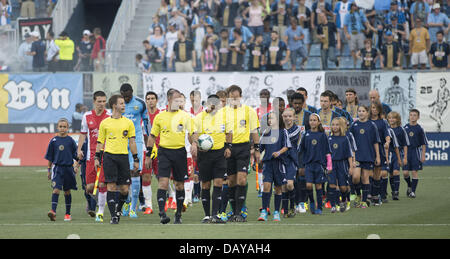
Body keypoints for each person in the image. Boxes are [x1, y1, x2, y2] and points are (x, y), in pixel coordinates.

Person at [145, 89, 198, 224]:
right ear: (169, 100)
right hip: (164, 153)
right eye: (176, 100)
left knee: (179, 185)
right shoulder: (160, 117)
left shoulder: (185, 116)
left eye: (180, 100)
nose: (179, 102)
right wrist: (148, 155)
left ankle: (178, 215)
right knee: (163, 182)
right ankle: (162, 213)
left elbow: (192, 133)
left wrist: (194, 144)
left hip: (180, 152)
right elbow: (152, 137)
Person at [96, 95, 139, 224]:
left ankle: (118, 210)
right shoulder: (105, 123)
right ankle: (114, 216)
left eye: (124, 103)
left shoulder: (128, 122)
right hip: (109, 157)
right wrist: (96, 157)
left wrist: (136, 158)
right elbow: (100, 142)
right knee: (111, 186)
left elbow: (132, 142)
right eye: (121, 103)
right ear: (114, 105)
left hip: (123, 157)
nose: (124, 105)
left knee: (124, 189)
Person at [224, 85, 260, 222]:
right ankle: (234, 212)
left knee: (242, 179)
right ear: (228, 98)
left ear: (241, 97)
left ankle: (239, 213)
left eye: (237, 97)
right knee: (231, 182)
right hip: (228, 149)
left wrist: (257, 150)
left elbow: (254, 131)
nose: (235, 100)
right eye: (232, 98)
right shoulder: (222, 113)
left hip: (243, 148)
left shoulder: (249, 111)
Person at [194, 94, 232, 223]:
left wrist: (228, 147)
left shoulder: (224, 116)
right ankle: (206, 215)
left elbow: (229, 133)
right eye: (211, 103)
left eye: (216, 103)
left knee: (218, 183)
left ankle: (215, 215)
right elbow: (194, 135)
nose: (214, 105)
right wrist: (197, 145)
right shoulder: (200, 117)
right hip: (204, 155)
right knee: (205, 184)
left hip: (219, 154)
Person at [77, 91, 110, 222]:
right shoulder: (87, 116)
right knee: (89, 187)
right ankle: (99, 201)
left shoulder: (110, 116)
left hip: (106, 154)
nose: (102, 104)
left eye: (104, 101)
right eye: (99, 101)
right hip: (90, 155)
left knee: (103, 184)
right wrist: (79, 149)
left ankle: (100, 209)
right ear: (94, 102)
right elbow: (83, 134)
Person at [120, 83, 148, 219]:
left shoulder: (140, 103)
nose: (125, 99)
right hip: (120, 142)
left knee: (135, 171)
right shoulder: (118, 104)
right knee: (123, 175)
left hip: (136, 140)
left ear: (132, 92)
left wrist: (148, 141)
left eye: (128, 96)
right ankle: (126, 201)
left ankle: (133, 208)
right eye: (123, 96)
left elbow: (146, 122)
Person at [257, 112, 291, 222]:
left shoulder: (283, 132)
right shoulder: (266, 133)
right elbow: (260, 147)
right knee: (266, 186)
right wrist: (257, 158)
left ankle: (276, 212)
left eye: (273, 118)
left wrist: (279, 152)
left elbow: (287, 146)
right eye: (269, 118)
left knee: (278, 188)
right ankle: (264, 212)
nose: (270, 120)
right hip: (268, 164)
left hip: (279, 164)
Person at [298, 113, 332, 215]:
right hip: (308, 165)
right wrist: (301, 165)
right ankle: (312, 201)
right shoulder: (306, 134)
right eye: (311, 120)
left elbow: (328, 151)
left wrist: (329, 165)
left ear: (319, 122)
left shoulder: (323, 135)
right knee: (308, 185)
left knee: (318, 186)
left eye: (314, 120)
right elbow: (301, 150)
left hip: (319, 165)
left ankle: (319, 207)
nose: (312, 122)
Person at [45, 118, 79, 222]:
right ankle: (53, 212)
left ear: (68, 128)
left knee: (67, 191)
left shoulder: (71, 141)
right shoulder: (54, 141)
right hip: (58, 169)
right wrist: (49, 170)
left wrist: (76, 166)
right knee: (56, 189)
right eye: (60, 126)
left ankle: (68, 214)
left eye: (64, 127)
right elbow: (50, 157)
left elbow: (77, 156)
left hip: (69, 169)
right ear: (57, 127)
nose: (62, 128)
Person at [349, 105, 381, 208]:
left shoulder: (372, 125)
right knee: (355, 177)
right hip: (357, 156)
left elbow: (375, 142)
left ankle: (364, 201)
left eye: (363, 111)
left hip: (368, 155)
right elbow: (350, 141)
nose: (361, 113)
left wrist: (378, 156)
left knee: (365, 178)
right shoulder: (354, 125)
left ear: (367, 113)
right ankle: (358, 194)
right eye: (359, 111)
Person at [370, 101, 394, 205]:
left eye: (375, 108)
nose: (373, 110)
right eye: (371, 108)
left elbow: (387, 135)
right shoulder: (367, 121)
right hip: (368, 149)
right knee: (368, 173)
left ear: (379, 110)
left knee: (378, 173)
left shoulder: (383, 122)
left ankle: (379, 194)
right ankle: (370, 195)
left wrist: (387, 142)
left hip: (379, 149)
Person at [328, 117, 354, 213]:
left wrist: (351, 167)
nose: (335, 127)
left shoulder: (345, 138)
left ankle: (344, 200)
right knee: (332, 185)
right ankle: (333, 205)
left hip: (342, 163)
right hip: (332, 164)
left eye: (337, 124)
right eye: (333, 124)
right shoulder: (329, 138)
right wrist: (328, 165)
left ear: (341, 126)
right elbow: (327, 153)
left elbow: (349, 154)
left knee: (343, 187)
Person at [141, 91, 160, 215]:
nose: (150, 100)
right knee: (146, 177)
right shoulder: (142, 116)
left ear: (156, 100)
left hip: (160, 149)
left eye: (153, 98)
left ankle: (171, 198)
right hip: (146, 150)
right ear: (146, 101)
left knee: (162, 177)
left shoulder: (161, 114)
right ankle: (149, 206)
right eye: (148, 98)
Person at [402, 109, 428, 198]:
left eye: (414, 115)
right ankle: (409, 185)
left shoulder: (419, 129)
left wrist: (423, 155)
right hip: (406, 152)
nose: (412, 117)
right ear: (409, 116)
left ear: (418, 117)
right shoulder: (405, 128)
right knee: (405, 173)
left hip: (415, 152)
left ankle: (413, 192)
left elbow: (423, 143)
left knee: (414, 171)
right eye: (411, 115)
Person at [344, 3, 376, 68]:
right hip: (351, 33)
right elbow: (345, 25)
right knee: (352, 49)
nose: (354, 7)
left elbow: (365, 21)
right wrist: (347, 34)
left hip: (360, 32)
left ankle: (362, 62)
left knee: (362, 48)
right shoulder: (347, 14)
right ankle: (355, 61)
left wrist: (367, 28)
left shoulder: (360, 13)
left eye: (355, 6)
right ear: (351, 7)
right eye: (353, 6)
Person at [386, 111, 409, 201]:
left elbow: (405, 144)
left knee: (396, 172)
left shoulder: (401, 130)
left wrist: (405, 157)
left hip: (397, 154)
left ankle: (396, 192)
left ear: (397, 119)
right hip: (388, 154)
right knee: (390, 174)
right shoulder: (386, 129)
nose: (391, 120)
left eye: (393, 118)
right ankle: (392, 191)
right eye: (390, 118)